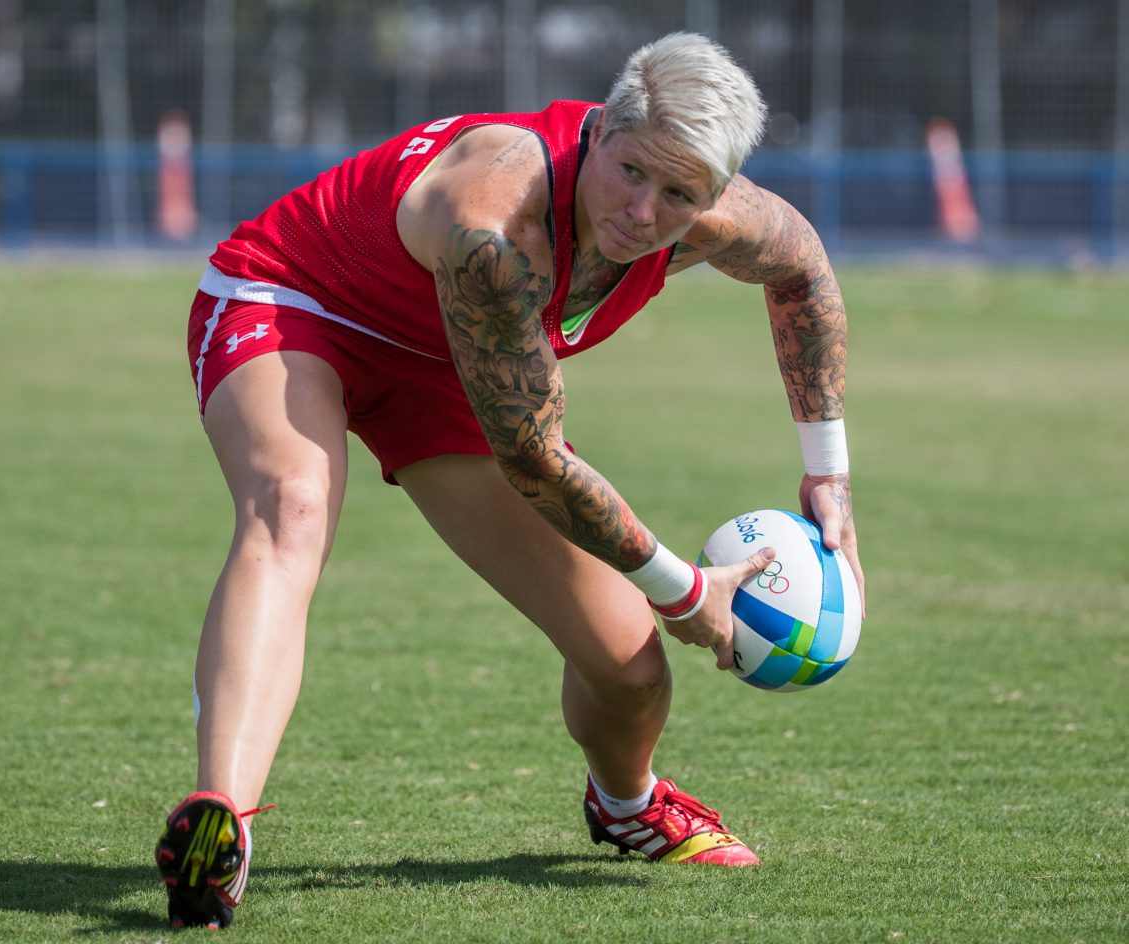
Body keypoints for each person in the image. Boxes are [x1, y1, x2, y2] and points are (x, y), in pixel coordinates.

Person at [153, 31, 866, 929]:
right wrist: (686, 592)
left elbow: (803, 272)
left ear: (713, 199)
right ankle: (222, 825)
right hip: (297, 304)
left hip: (452, 372)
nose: (644, 211)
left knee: (630, 670)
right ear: (600, 131)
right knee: (290, 507)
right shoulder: (499, 229)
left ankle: (627, 802)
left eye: (679, 194)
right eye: (632, 172)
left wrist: (828, 475)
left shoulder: (707, 222)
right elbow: (535, 457)